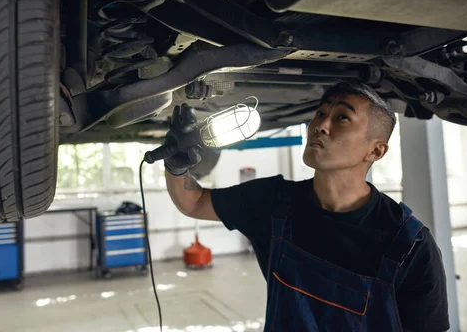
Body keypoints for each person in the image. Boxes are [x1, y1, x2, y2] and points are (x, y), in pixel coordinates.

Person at [164, 81, 449, 332]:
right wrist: (176, 164)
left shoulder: (409, 244)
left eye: (342, 118)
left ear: (375, 150)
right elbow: (195, 202)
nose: (321, 125)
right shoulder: (273, 201)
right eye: (321, 114)